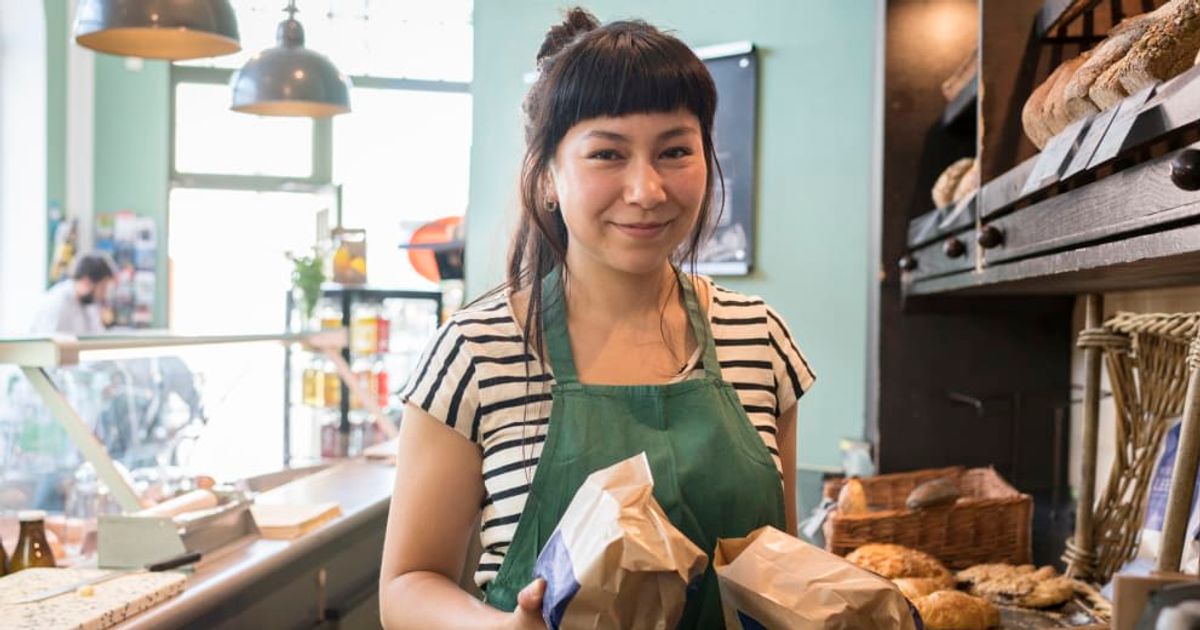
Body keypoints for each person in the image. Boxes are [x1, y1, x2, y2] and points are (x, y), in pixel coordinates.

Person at [379, 8, 815, 629]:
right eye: (608, 154)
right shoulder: (477, 350)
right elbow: (405, 587)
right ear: (548, 175)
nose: (646, 189)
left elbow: (781, 571)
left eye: (675, 151)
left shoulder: (759, 338)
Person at [29, 251, 117, 335]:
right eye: (102, 288)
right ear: (86, 282)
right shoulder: (57, 303)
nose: (103, 294)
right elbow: (51, 346)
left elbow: (97, 335)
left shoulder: (88, 303)